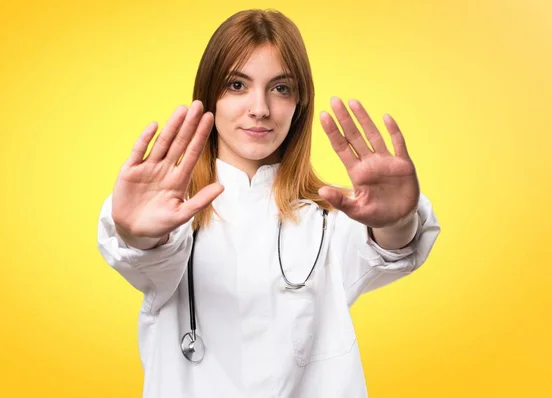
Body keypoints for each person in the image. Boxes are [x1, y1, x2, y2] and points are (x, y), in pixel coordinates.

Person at [97, 8, 440, 398]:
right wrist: (133, 232)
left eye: (280, 88)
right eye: (237, 85)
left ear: (300, 105)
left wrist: (397, 221)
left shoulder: (328, 220)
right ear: (209, 96)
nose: (259, 108)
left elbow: (389, 247)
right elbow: (143, 256)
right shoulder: (171, 218)